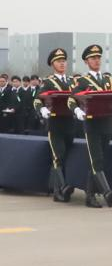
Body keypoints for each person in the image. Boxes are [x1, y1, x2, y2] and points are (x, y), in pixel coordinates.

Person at [67, 45, 112, 208]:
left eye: (98, 58)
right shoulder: (81, 81)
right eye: (93, 58)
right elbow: (71, 100)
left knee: (98, 161)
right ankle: (106, 191)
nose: (96, 60)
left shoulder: (109, 81)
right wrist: (77, 110)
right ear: (86, 61)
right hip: (91, 126)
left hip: (106, 124)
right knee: (96, 159)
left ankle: (90, 196)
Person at [32, 49, 77, 203]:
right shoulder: (49, 81)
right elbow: (38, 100)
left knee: (68, 157)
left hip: (70, 124)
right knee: (59, 156)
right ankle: (59, 190)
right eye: (59, 61)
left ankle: (63, 188)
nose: (62, 63)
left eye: (64, 61)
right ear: (52, 64)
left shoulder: (72, 81)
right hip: (56, 124)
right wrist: (42, 109)